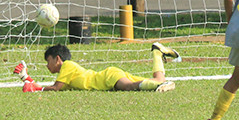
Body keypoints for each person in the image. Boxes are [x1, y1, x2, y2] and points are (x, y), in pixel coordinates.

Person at [15, 42, 179, 92]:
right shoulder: (67, 72)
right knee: (159, 79)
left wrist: (37, 89)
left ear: (57, 59)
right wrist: (26, 78)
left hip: (107, 78)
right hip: (109, 75)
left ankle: (159, 85)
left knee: (129, 87)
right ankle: (157, 53)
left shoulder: (67, 66)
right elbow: (58, 86)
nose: (47, 65)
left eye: (48, 61)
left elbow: (55, 88)